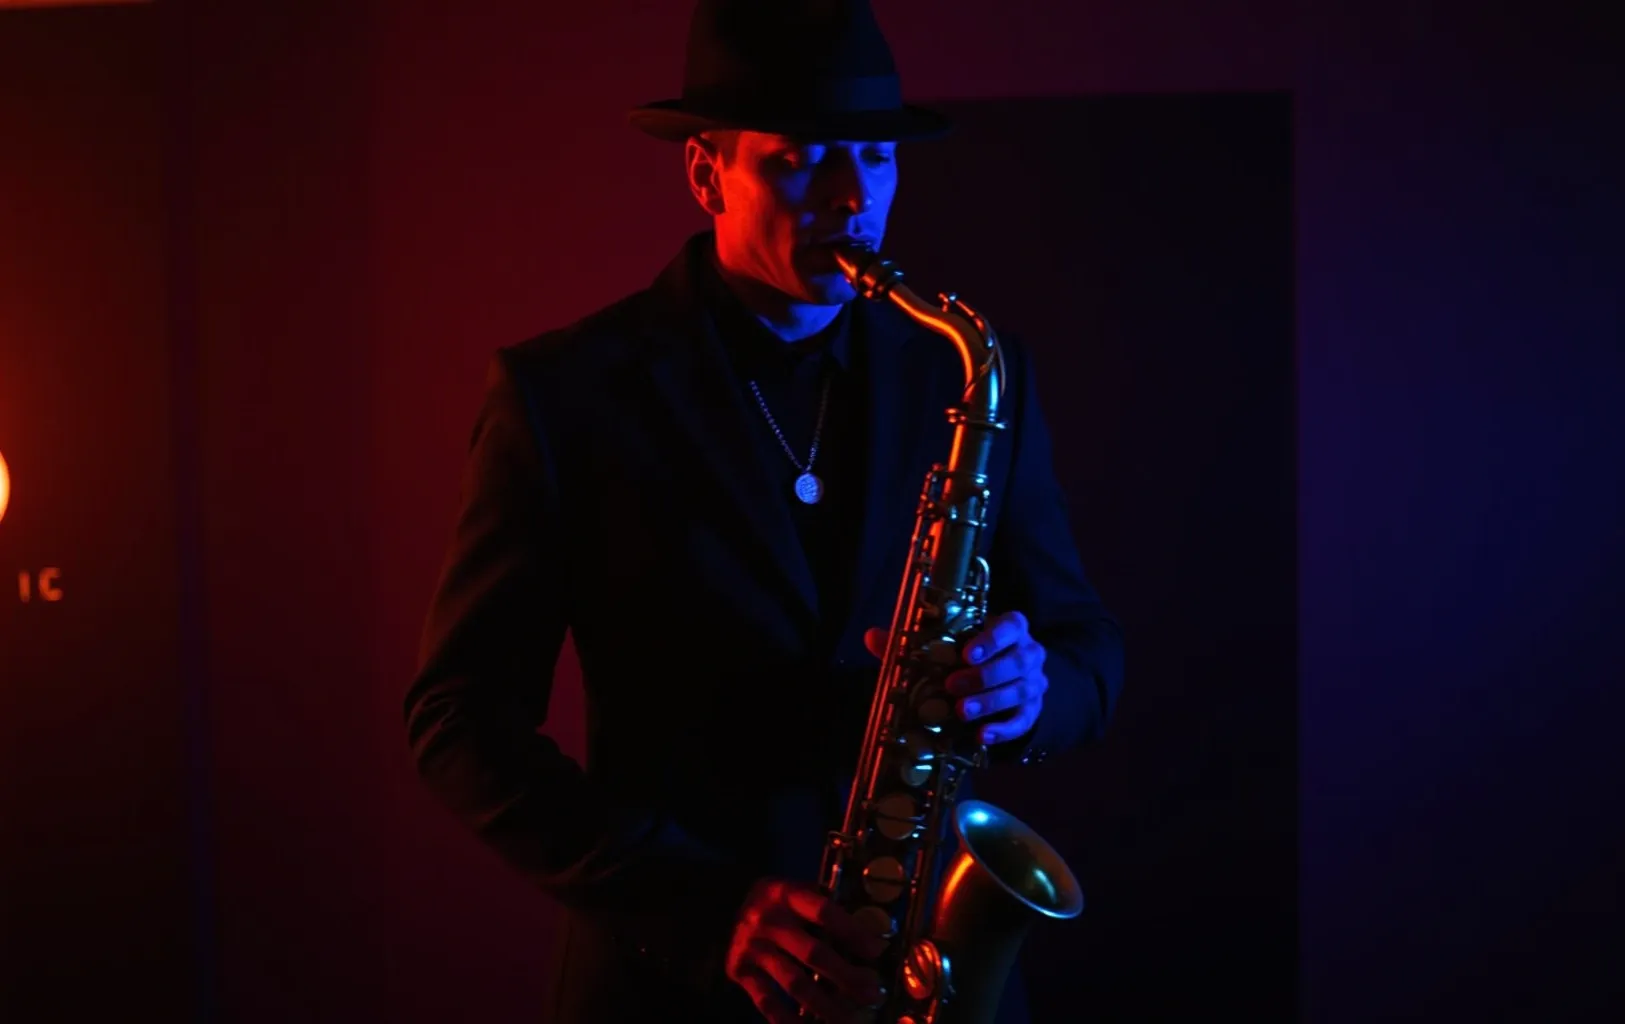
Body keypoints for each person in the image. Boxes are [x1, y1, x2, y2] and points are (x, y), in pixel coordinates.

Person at [402, 1, 1123, 1022]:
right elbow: (460, 721)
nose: (853, 197)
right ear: (707, 175)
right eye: (802, 159)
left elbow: (1087, 649)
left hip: (921, 968)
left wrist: (1030, 690)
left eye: (876, 156)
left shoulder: (963, 372)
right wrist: (704, 908)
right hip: (672, 984)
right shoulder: (566, 396)